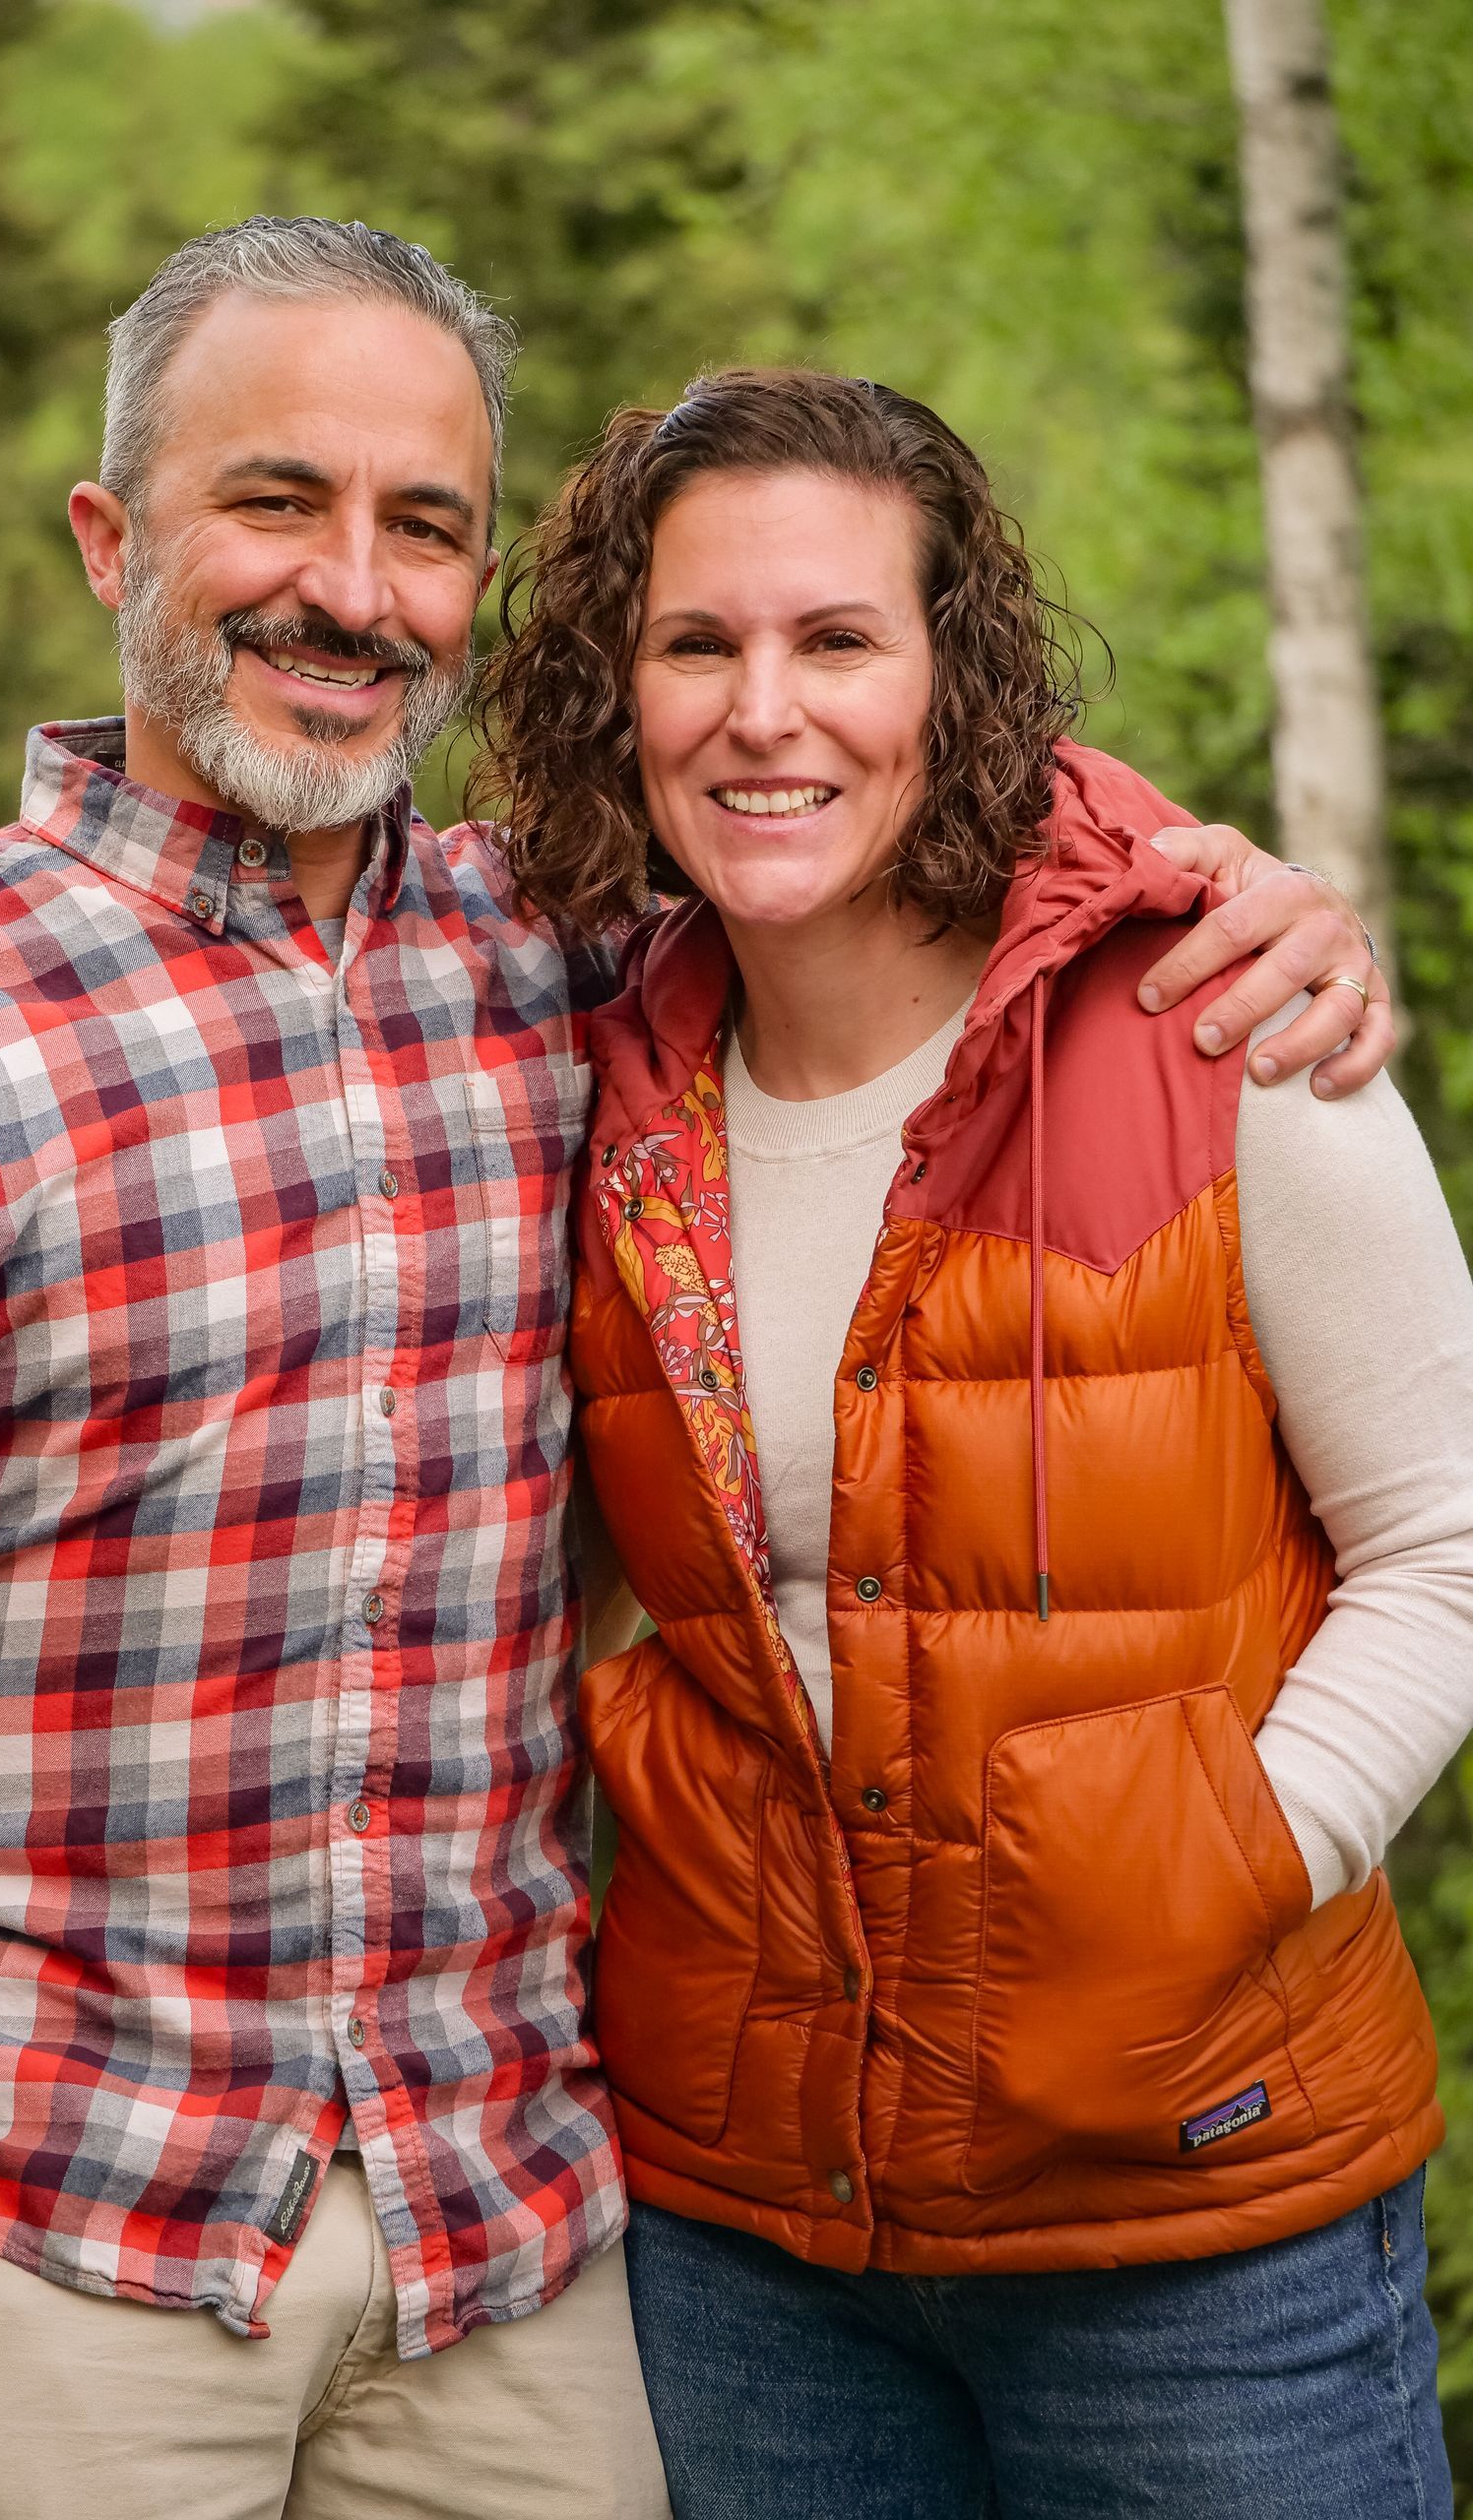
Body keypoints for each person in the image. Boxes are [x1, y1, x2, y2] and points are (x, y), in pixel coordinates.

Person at [0, 218, 1383, 2520]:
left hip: (514, 2246)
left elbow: (852, 780)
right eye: (277, 501)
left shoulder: (552, 957)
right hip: (46, 2248)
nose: (354, 588)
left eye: (424, 526)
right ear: (111, 538)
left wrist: (1193, 869)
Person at [477, 366, 1471, 2518]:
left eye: (838, 638)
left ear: (956, 673)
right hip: (752, 2242)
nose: (766, 711)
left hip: (1195, 2224)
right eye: (696, 644)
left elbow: (1452, 1548)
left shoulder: (1226, 1026)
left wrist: (1221, 1871)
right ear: (614, 692)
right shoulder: (602, 1074)